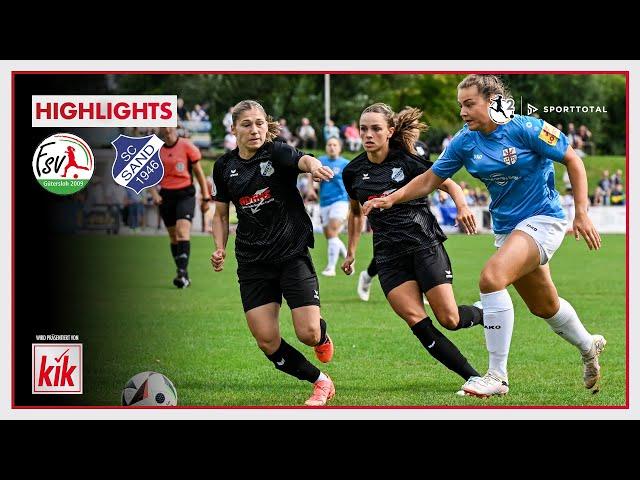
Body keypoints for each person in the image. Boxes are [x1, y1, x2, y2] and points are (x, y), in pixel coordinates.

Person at [364, 75, 606, 398]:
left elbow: (573, 159)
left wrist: (582, 212)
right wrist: (392, 198)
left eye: (469, 104)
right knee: (544, 305)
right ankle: (588, 346)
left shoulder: (527, 127)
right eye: (460, 105)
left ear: (492, 101)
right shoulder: (465, 142)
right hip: (508, 230)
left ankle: (497, 376)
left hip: (543, 220)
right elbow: (429, 179)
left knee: (491, 278)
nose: (462, 112)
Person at [341, 102, 484, 387]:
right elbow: (356, 213)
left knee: (450, 318)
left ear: (390, 131)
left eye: (376, 129)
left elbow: (449, 183)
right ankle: (474, 378)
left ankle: (486, 312)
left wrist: (462, 206)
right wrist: (352, 251)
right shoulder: (352, 171)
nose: (368, 134)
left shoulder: (407, 160)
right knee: (417, 321)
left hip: (424, 245)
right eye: (363, 129)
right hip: (388, 256)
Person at [211, 100, 336, 406]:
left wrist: (314, 166)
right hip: (253, 261)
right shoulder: (224, 167)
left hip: (291, 253)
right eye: (246, 124)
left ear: (266, 125)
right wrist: (219, 247)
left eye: (259, 123)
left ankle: (320, 335)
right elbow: (220, 215)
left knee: (307, 333)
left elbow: (302, 160)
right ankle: (320, 383)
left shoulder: (276, 151)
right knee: (267, 340)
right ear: (233, 130)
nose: (255, 130)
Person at [149, 127, 210, 288]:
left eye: (170, 125)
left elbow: (198, 173)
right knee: (173, 237)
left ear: (175, 127)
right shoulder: (154, 149)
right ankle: (184, 274)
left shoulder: (187, 146)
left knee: (182, 231)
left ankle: (181, 273)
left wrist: (205, 196)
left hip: (185, 194)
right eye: (163, 126)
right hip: (166, 196)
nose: (167, 129)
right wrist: (154, 194)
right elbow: (146, 175)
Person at [312, 137, 350, 276]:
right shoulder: (320, 161)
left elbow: (351, 184)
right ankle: (348, 257)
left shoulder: (346, 164)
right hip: (324, 202)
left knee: (333, 231)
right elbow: (312, 176)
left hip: (340, 201)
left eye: (335, 145)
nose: (332, 147)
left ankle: (331, 268)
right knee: (330, 235)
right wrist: (311, 189)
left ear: (340, 148)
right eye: (329, 145)